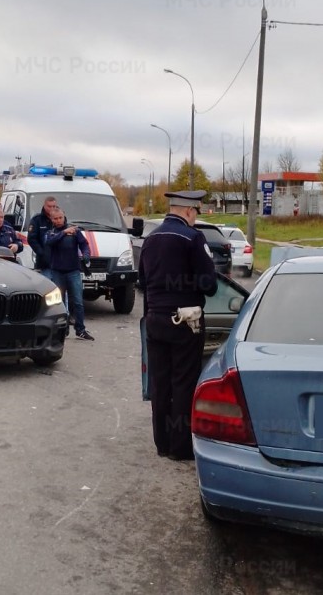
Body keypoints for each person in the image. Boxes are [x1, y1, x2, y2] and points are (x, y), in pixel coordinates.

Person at [138, 190, 217, 460]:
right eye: (195, 212)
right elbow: (210, 286)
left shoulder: (150, 239)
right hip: (185, 322)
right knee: (183, 381)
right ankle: (180, 448)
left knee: (160, 382)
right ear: (188, 211)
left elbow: (142, 283)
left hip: (155, 320)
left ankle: (162, 443)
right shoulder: (192, 238)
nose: (195, 218)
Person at [45, 207, 95, 341]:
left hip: (73, 271)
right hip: (57, 272)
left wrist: (86, 255)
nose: (58, 220)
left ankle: (80, 330)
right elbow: (49, 242)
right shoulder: (51, 232)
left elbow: (84, 244)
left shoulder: (75, 231)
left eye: (60, 217)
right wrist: (64, 233)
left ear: (64, 216)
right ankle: (62, 329)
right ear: (51, 219)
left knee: (78, 301)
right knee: (58, 303)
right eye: (55, 218)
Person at [26, 196, 59, 274]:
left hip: (59, 262)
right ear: (44, 206)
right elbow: (31, 239)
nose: (52, 208)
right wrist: (42, 253)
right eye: (49, 206)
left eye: (54, 206)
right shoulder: (37, 220)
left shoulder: (60, 218)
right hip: (43, 263)